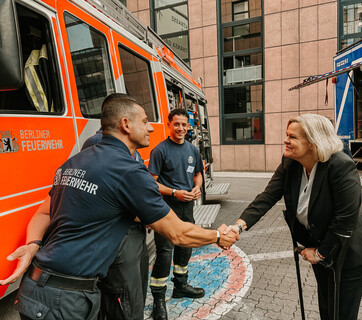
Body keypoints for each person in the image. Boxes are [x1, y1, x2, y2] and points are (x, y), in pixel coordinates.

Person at [0, 95, 238, 320]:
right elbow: (178, 232)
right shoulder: (129, 171)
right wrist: (218, 235)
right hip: (65, 300)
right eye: (145, 121)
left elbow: (43, 212)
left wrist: (32, 244)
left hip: (35, 289)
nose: (151, 128)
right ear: (126, 124)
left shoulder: (74, 160)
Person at [224, 114, 362, 320]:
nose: (286, 140)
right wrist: (239, 226)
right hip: (319, 247)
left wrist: (321, 254)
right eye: (287, 135)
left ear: (314, 142)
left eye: (293, 137)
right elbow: (267, 196)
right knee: (328, 309)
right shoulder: (290, 162)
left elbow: (346, 219)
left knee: (341, 313)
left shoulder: (340, 165)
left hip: (348, 252)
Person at [81, 93, 149, 320]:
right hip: (120, 236)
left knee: (136, 292)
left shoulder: (128, 146)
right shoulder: (98, 144)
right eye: (144, 121)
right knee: (123, 300)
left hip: (135, 233)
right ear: (123, 120)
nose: (148, 127)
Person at [148, 108, 204, 320]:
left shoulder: (193, 150)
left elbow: (198, 174)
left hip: (186, 207)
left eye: (184, 124)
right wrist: (174, 192)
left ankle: (180, 286)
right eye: (176, 124)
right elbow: (151, 182)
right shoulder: (160, 150)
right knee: (164, 253)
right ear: (169, 125)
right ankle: (159, 301)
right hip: (165, 208)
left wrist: (197, 188)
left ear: (188, 126)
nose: (180, 128)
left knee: (185, 247)